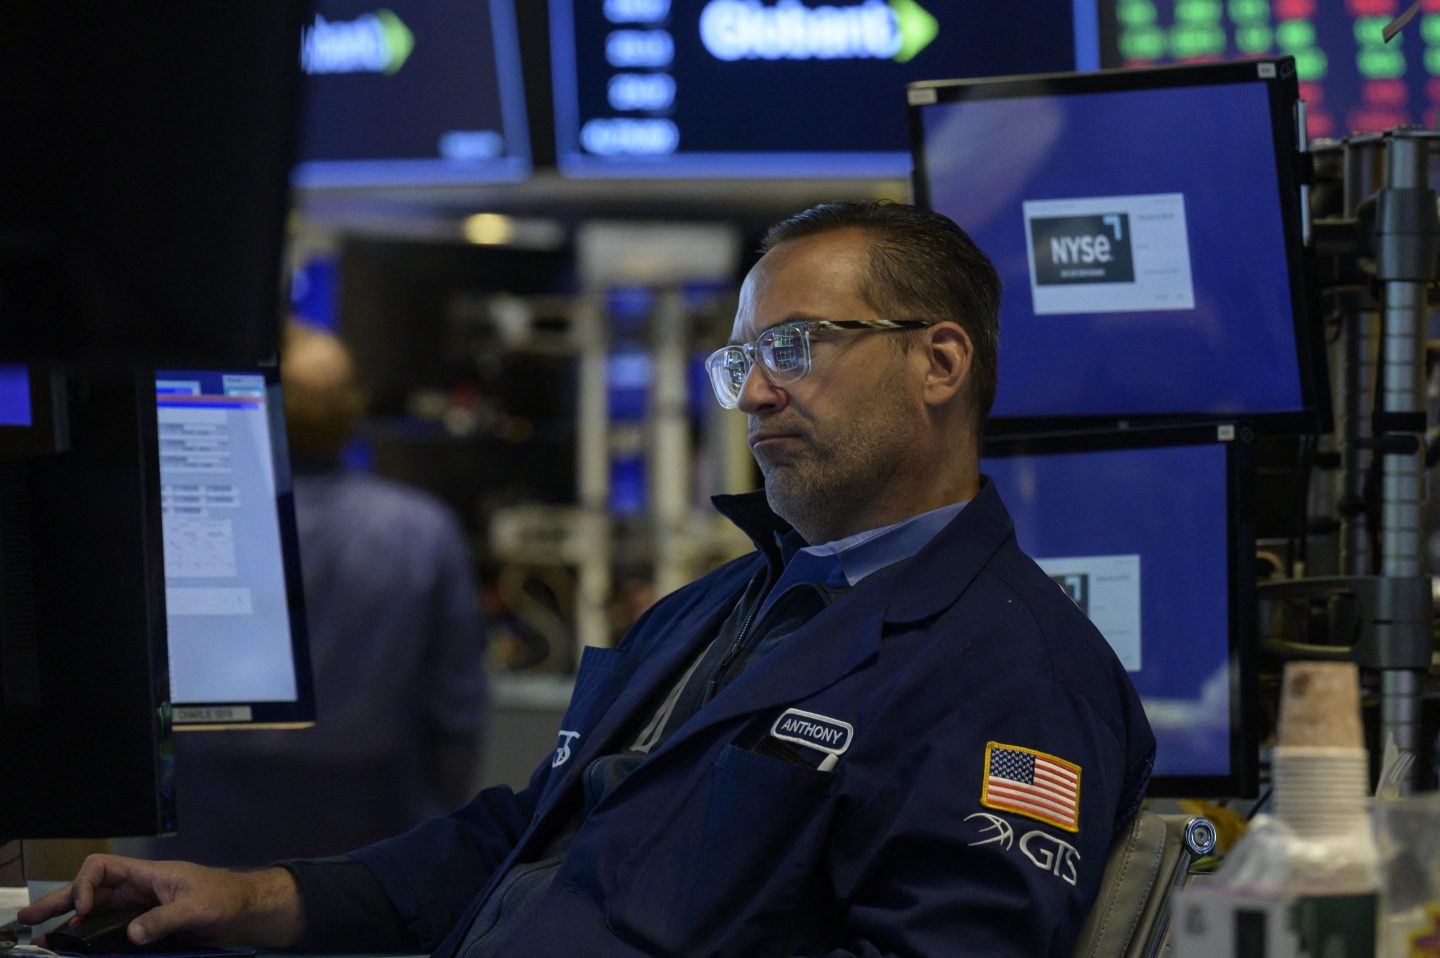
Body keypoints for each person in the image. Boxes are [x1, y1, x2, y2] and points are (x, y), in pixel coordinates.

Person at [24, 203, 1154, 957]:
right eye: (741, 361)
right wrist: (253, 894)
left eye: (795, 348)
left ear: (939, 362)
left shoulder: (1014, 670)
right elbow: (517, 836)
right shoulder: (716, 609)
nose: (755, 395)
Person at [128, 322, 490, 866]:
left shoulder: (181, 523)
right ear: (351, 410)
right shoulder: (422, 530)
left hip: (205, 834)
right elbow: (457, 713)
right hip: (373, 838)